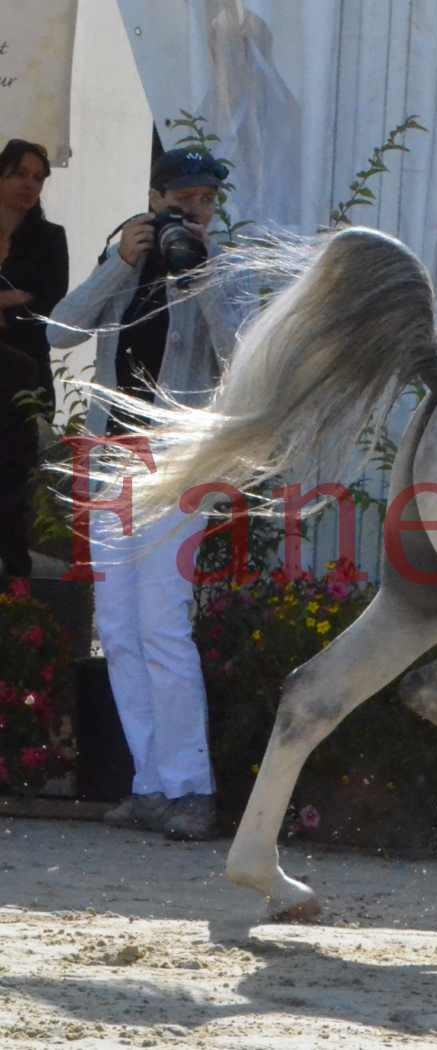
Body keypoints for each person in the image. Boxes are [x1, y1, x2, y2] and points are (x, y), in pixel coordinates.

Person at [47, 147, 241, 840]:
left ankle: (191, 788)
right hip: (110, 462)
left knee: (161, 625)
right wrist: (121, 263)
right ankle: (150, 782)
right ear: (156, 198)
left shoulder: (220, 270)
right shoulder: (125, 260)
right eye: (184, 198)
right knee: (120, 631)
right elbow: (61, 330)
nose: (195, 210)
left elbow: (242, 355)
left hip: (174, 465)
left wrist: (205, 275)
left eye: (207, 200)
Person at [0, 138, 68, 581]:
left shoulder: (49, 238)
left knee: (13, 479)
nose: (30, 184)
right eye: (20, 173)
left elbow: (47, 303)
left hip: (22, 374)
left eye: (38, 178)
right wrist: (9, 298)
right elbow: (21, 299)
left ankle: (16, 585)